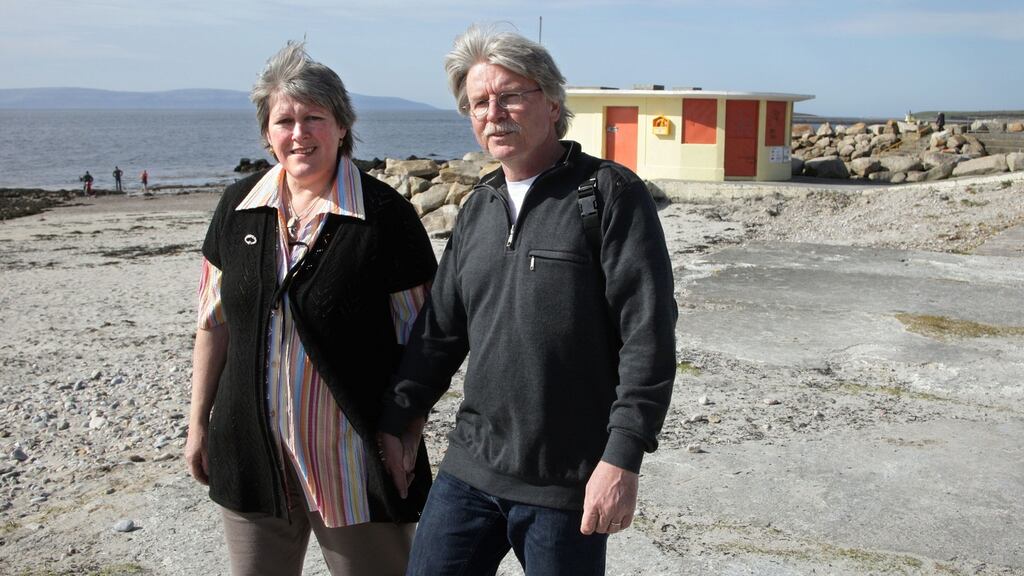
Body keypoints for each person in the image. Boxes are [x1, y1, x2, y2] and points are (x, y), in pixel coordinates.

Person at [379, 25, 677, 575]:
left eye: (510, 95)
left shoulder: (609, 195)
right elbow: (440, 332)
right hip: (471, 467)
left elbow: (648, 337)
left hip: (569, 479)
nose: (493, 112)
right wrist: (401, 418)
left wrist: (623, 458)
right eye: (478, 102)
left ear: (552, 101)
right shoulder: (479, 204)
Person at [184, 41, 437, 576]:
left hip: (354, 461)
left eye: (314, 118)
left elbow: (426, 343)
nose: (299, 133)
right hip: (250, 454)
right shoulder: (236, 208)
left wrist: (406, 432)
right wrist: (197, 424)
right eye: (285, 120)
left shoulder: (386, 217)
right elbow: (213, 324)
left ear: (342, 126)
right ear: (267, 133)